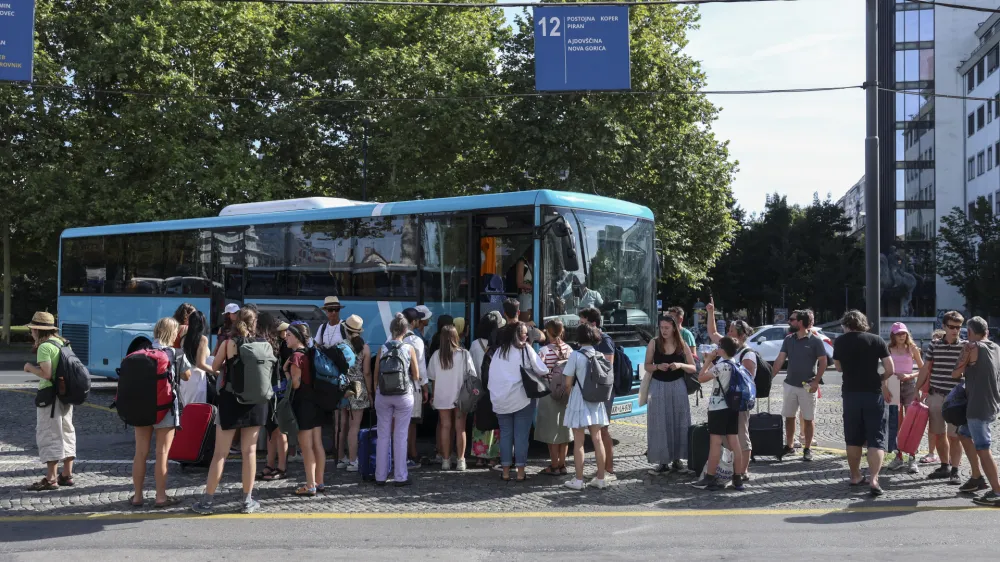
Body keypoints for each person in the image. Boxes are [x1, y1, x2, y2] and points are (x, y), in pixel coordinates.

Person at [191, 307, 269, 515]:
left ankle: (207, 502)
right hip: (257, 401)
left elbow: (216, 367)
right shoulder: (265, 344)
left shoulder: (229, 343)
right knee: (250, 451)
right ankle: (247, 501)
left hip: (231, 399)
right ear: (255, 324)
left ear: (236, 322)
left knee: (220, 453)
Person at [130, 317, 192, 507]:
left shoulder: (141, 352)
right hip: (165, 409)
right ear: (173, 334)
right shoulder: (176, 353)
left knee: (140, 453)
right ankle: (160, 497)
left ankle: (138, 496)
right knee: (162, 453)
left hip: (142, 408)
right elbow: (187, 376)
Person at [833, 310, 894, 496]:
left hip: (851, 393)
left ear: (846, 324)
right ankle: (874, 479)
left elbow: (837, 367)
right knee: (876, 437)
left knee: (853, 438)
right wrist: (879, 378)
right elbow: (891, 369)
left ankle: (855, 475)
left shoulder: (840, 341)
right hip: (873, 393)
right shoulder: (876, 340)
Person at [23, 311, 77, 491]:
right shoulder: (63, 343)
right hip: (65, 395)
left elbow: (46, 374)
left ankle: (51, 478)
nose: (31, 333)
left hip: (50, 396)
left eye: (32, 329)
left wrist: (30, 368)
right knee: (67, 431)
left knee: (50, 434)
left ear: (38, 330)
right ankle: (67, 474)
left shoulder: (45, 347)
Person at [950, 317, 1000, 505]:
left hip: (977, 406)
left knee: (983, 448)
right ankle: (977, 477)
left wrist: (965, 351)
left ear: (970, 333)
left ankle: (997, 491)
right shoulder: (996, 348)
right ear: (986, 331)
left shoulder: (971, 348)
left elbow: (955, 373)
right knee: (963, 433)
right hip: (991, 403)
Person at [489, 322, 547, 482]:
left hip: (501, 400)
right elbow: (542, 370)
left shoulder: (498, 352)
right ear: (518, 335)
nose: (527, 336)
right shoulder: (526, 350)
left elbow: (492, 375)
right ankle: (520, 473)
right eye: (524, 333)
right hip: (523, 399)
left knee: (506, 435)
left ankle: (506, 471)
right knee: (521, 436)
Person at [705, 298, 756, 480]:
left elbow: (748, 381)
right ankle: (733, 472)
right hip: (725, 403)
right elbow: (712, 332)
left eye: (731, 331)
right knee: (731, 439)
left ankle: (742, 472)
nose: (727, 333)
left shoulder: (747, 354)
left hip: (737, 402)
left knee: (741, 438)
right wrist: (711, 312)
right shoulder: (729, 346)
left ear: (741, 335)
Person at [915, 310, 967, 483]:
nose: (955, 330)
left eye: (958, 327)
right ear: (944, 326)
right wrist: (917, 389)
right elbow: (925, 368)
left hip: (956, 398)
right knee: (938, 433)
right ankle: (944, 465)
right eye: (951, 327)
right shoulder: (934, 345)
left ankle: (955, 469)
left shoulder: (965, 347)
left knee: (955, 436)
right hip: (936, 394)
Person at [770, 309, 827, 462]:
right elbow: (780, 359)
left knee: (808, 419)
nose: (790, 322)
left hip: (808, 385)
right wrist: (769, 378)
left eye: (793, 320)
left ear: (800, 323)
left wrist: (816, 381)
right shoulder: (789, 339)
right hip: (790, 385)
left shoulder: (816, 341)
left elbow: (823, 362)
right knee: (789, 417)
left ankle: (807, 448)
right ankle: (789, 446)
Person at [643, 314, 696, 475]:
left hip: (677, 386)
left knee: (679, 420)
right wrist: (658, 366)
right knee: (659, 422)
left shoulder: (682, 343)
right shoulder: (654, 342)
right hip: (658, 385)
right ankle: (662, 460)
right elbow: (647, 366)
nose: (664, 331)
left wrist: (680, 364)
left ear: (673, 327)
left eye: (667, 328)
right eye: (661, 327)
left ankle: (677, 459)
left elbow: (693, 367)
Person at [692, 336, 746, 491]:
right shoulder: (735, 364)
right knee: (734, 442)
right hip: (732, 407)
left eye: (719, 346)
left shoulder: (721, 366)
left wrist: (708, 360)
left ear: (722, 349)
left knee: (715, 442)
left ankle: (709, 477)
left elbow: (701, 378)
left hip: (718, 407)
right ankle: (738, 477)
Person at [374, 313, 422, 486]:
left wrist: (376, 391)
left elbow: (376, 374)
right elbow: (416, 375)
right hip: (403, 395)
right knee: (401, 436)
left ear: (391, 330)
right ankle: (400, 476)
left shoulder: (382, 348)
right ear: (405, 330)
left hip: (383, 394)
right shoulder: (409, 349)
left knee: (383, 436)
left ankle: (380, 476)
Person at [562, 324, 612, 490]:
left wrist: (569, 398)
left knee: (579, 442)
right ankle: (601, 478)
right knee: (597, 440)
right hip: (596, 400)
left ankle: (578, 479)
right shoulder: (600, 355)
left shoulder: (575, 355)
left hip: (579, 398)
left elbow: (568, 383)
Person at [283, 323, 328, 496]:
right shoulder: (311, 352)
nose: (286, 338)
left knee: (306, 446)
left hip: (303, 404)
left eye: (288, 335)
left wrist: (285, 371)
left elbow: (295, 384)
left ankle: (310, 485)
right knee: (318, 444)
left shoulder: (296, 357)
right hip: (316, 402)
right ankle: (320, 481)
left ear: (296, 337)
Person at [428, 325, 477, 471]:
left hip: (442, 395)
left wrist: (433, 395)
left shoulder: (436, 355)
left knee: (445, 426)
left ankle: (445, 460)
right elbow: (472, 375)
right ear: (456, 337)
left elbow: (433, 378)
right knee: (460, 428)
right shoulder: (464, 354)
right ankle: (461, 460)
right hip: (461, 396)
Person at [578, 307, 617, 479]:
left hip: (603, 391)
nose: (580, 326)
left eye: (583, 322)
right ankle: (603, 467)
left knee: (603, 430)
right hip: (593, 390)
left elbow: (608, 368)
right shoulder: (590, 340)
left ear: (593, 323)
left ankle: (609, 468)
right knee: (597, 430)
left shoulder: (605, 341)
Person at [885, 322, 923, 474]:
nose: (902, 336)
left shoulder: (912, 348)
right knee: (897, 422)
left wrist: (910, 375)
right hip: (893, 384)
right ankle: (899, 455)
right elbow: (883, 369)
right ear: (893, 335)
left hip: (909, 384)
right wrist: (885, 387)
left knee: (912, 421)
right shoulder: (888, 349)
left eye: (904, 333)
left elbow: (923, 369)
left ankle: (912, 457)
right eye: (899, 333)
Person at [536, 319, 573, 476]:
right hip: (566, 394)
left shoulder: (544, 351)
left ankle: (554, 465)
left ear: (547, 332)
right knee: (564, 431)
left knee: (551, 433)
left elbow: (538, 371)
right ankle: (563, 464)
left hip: (550, 394)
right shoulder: (569, 349)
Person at [336, 315, 372, 472]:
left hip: (342, 388)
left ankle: (340, 459)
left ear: (346, 330)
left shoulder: (339, 346)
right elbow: (367, 373)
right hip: (358, 388)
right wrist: (370, 392)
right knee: (354, 427)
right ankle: (352, 461)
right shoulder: (365, 348)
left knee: (341, 425)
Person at [470, 311, 504, 468]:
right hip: (494, 388)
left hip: (479, 388)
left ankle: (479, 457)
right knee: (495, 422)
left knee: (480, 422)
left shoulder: (475, 344)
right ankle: (493, 457)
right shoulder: (498, 346)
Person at [401, 307, 430, 468]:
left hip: (392, 387)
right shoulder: (416, 340)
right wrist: (425, 389)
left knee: (396, 424)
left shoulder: (392, 337)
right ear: (413, 322)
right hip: (411, 387)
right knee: (411, 424)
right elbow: (420, 370)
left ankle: (397, 455)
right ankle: (410, 455)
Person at [919, 329, 946, 465]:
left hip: (946, 393)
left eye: (937, 339)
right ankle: (931, 453)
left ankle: (949, 456)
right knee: (933, 426)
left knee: (950, 430)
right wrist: (924, 391)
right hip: (932, 392)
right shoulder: (931, 356)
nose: (934, 343)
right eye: (933, 340)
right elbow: (926, 373)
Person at [179, 310, 215, 407]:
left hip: (185, 377)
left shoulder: (183, 338)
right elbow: (200, 364)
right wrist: (215, 372)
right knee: (197, 410)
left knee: (186, 409)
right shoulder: (203, 339)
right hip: (197, 378)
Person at [515, 250, 533, 322]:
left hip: (531, 297)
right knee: (525, 323)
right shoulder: (521, 261)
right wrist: (534, 287)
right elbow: (519, 283)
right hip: (524, 298)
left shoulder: (533, 262)